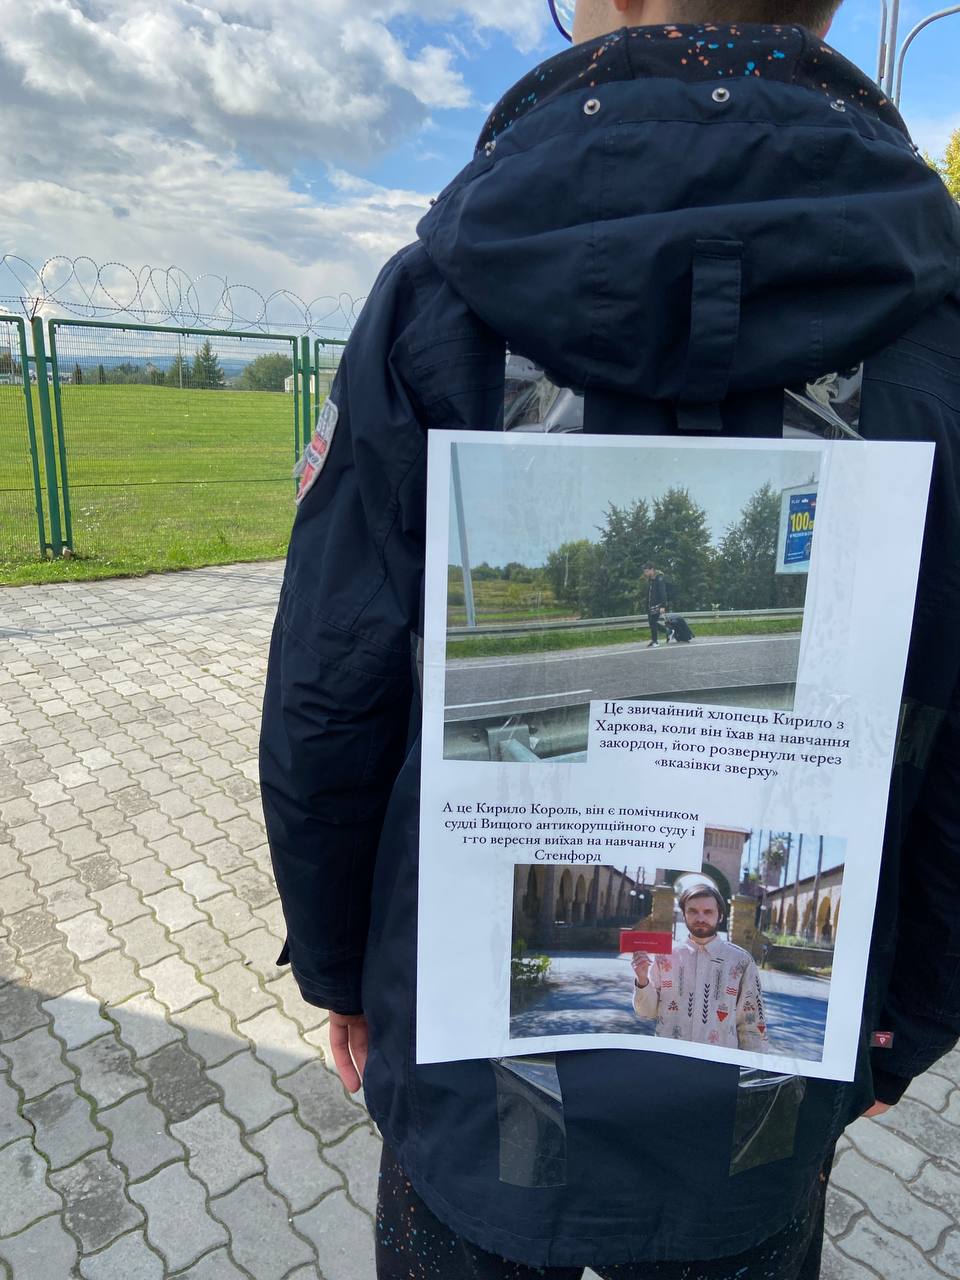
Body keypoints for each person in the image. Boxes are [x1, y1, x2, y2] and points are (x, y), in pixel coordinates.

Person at [259, 1, 960, 1276]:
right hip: (759, 1120)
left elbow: (328, 693)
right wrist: (909, 1020)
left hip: (472, 1087)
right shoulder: (942, 331)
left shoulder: (435, 301)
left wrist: (340, 967)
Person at [631, 882, 770, 1052]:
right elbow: (647, 1012)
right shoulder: (664, 956)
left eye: (708, 912)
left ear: (720, 916)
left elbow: (752, 1024)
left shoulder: (741, 961)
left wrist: (750, 1065)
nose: (700, 918)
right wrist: (642, 980)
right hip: (670, 1058)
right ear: (684, 914)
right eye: (693, 911)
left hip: (718, 1062)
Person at [642, 562, 669, 646]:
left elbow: (663, 593)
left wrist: (663, 606)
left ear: (652, 570)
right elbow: (649, 593)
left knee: (653, 622)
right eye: (645, 572)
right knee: (651, 622)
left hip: (658, 605)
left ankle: (655, 641)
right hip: (651, 605)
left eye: (647, 571)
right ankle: (668, 631)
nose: (645, 573)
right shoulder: (651, 579)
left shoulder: (659, 578)